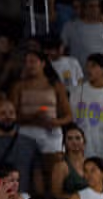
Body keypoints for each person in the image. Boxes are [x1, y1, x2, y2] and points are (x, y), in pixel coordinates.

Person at [10, 46, 70, 180]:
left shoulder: (55, 85)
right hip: (26, 131)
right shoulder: (18, 86)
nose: (29, 65)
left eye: (33, 61)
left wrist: (55, 122)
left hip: (50, 132)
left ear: (43, 63)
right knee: (27, 172)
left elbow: (68, 115)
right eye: (26, 62)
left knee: (52, 171)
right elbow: (12, 116)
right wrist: (33, 117)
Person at [0, 99, 42, 198]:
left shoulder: (30, 144)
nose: (8, 116)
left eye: (11, 113)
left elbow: (37, 175)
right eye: (3, 113)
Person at [61, 0, 103, 65]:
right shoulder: (70, 27)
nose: (95, 9)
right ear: (84, 9)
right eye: (91, 6)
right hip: (78, 73)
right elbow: (62, 49)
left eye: (97, 6)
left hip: (99, 73)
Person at [51, 124, 91, 199]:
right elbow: (56, 195)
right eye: (69, 138)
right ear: (64, 143)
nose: (74, 142)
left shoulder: (91, 163)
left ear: (84, 141)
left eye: (78, 138)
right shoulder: (61, 166)